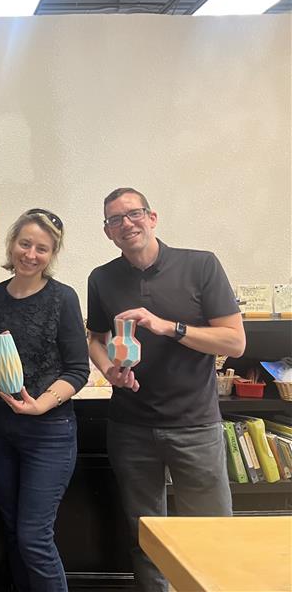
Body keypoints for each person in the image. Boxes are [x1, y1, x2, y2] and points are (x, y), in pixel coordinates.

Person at [86, 188, 246, 592]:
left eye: (133, 214)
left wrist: (167, 326)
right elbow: (95, 338)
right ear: (107, 232)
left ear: (152, 217)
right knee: (147, 538)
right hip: (130, 427)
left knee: (209, 536)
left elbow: (234, 342)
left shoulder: (201, 266)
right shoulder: (102, 278)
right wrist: (109, 370)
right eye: (114, 220)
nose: (126, 224)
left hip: (194, 425)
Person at [0, 209, 89, 592]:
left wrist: (41, 404)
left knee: (33, 537)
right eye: (25, 244)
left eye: (42, 248)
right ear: (11, 244)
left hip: (47, 432)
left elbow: (77, 370)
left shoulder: (62, 298)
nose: (31, 254)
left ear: (52, 254)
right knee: (10, 528)